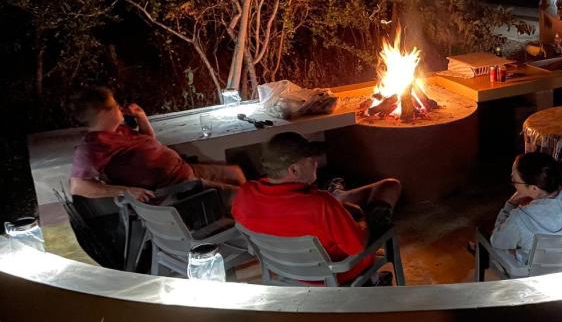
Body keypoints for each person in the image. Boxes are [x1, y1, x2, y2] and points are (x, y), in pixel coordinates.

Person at [232, 132, 401, 284]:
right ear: (294, 169)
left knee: (342, 204)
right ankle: (373, 279)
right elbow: (357, 246)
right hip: (335, 273)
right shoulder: (321, 204)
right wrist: (362, 218)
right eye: (310, 159)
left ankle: (338, 193)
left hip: (286, 269)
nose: (316, 163)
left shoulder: (245, 193)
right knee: (388, 190)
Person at [70, 87, 245, 203]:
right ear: (103, 113)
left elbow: (149, 143)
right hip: (175, 189)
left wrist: (141, 117)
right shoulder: (92, 147)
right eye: (116, 105)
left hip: (184, 171)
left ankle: (245, 216)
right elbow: (78, 187)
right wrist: (127, 191)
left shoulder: (119, 130)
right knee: (243, 197)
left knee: (235, 173)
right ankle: (248, 220)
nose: (120, 108)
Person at [489, 152, 562, 266]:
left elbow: (496, 240)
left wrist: (510, 204)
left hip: (538, 274)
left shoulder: (520, 218)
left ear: (534, 188)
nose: (514, 185)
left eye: (514, 181)